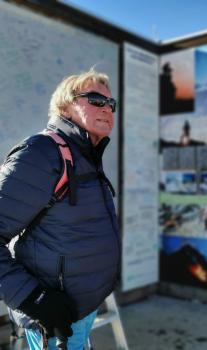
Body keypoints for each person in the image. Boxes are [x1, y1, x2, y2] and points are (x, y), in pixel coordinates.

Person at [0, 69, 120, 349]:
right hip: (54, 318)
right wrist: (33, 299)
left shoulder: (86, 155)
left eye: (110, 104)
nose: (107, 109)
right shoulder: (41, 153)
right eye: (95, 100)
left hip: (82, 308)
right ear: (66, 106)